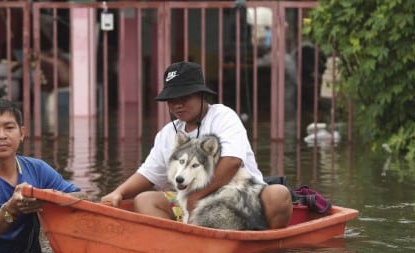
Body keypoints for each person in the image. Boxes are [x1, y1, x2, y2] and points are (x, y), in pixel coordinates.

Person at [101, 61, 293, 229]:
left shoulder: (223, 116)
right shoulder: (168, 133)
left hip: (241, 198)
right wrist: (118, 193)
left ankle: (262, 241)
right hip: (191, 204)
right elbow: (148, 174)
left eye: (184, 97)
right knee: (144, 200)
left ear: (201, 95)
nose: (178, 105)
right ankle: (179, 245)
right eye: (172, 100)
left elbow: (233, 161)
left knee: (278, 195)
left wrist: (198, 195)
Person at [0, 98, 86, 253]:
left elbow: (82, 197)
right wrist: (12, 208)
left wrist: (50, 197)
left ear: (22, 133)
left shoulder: (38, 169)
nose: (2, 136)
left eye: (9, 128)